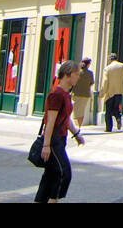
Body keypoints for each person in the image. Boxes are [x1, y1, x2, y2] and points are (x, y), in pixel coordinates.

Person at [35, 60, 85, 203]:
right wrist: (46, 145)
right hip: (53, 140)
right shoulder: (56, 94)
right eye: (76, 74)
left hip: (60, 139)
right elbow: (50, 121)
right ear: (68, 75)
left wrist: (76, 134)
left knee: (50, 175)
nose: (78, 77)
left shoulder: (65, 94)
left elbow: (65, 118)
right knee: (63, 173)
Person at [100, 53, 123, 133]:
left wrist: (102, 93)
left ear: (110, 59)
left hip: (110, 92)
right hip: (119, 91)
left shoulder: (107, 68)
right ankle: (118, 117)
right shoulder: (122, 66)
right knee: (115, 108)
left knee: (108, 111)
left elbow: (105, 82)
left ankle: (108, 128)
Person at [72, 57, 95, 128]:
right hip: (85, 94)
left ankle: (77, 126)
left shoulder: (77, 72)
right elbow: (91, 83)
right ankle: (79, 126)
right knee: (82, 111)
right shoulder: (90, 73)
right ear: (88, 65)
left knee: (75, 112)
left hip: (76, 94)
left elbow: (72, 82)